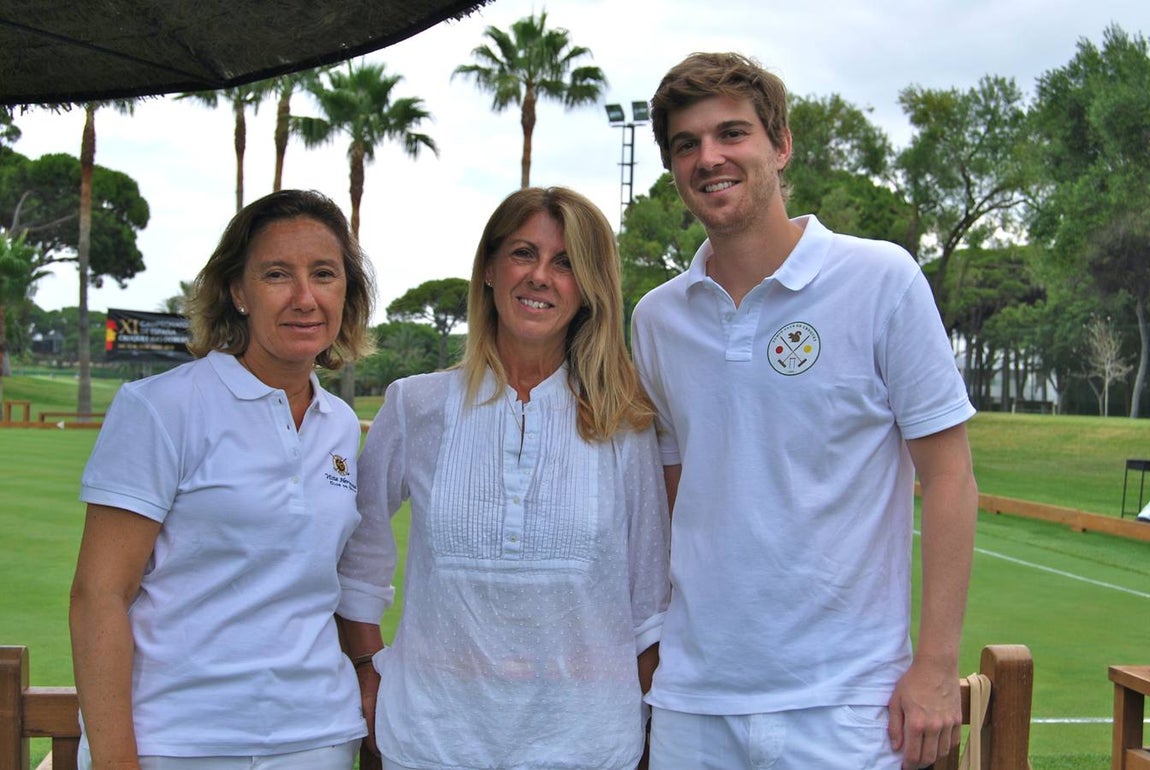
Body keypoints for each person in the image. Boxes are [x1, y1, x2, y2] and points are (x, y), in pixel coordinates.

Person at [629, 52, 980, 770]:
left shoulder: (881, 278)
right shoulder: (656, 319)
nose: (710, 158)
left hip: (846, 707)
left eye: (732, 134)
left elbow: (949, 479)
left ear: (781, 145)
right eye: (687, 144)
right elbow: (672, 493)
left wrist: (938, 667)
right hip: (695, 705)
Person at [336, 186, 670, 770]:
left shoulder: (626, 420)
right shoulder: (416, 406)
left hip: (589, 747)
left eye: (565, 263)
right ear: (489, 269)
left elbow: (647, 602)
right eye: (523, 254)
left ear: (589, 287)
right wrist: (366, 668)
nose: (541, 276)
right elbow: (354, 545)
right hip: (430, 742)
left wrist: (646, 737)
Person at [69, 189, 378, 770]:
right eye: (277, 274)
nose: (304, 298)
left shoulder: (339, 425)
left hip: (316, 738)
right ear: (238, 292)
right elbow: (98, 597)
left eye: (324, 274)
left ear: (347, 294)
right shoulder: (161, 407)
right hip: (175, 742)